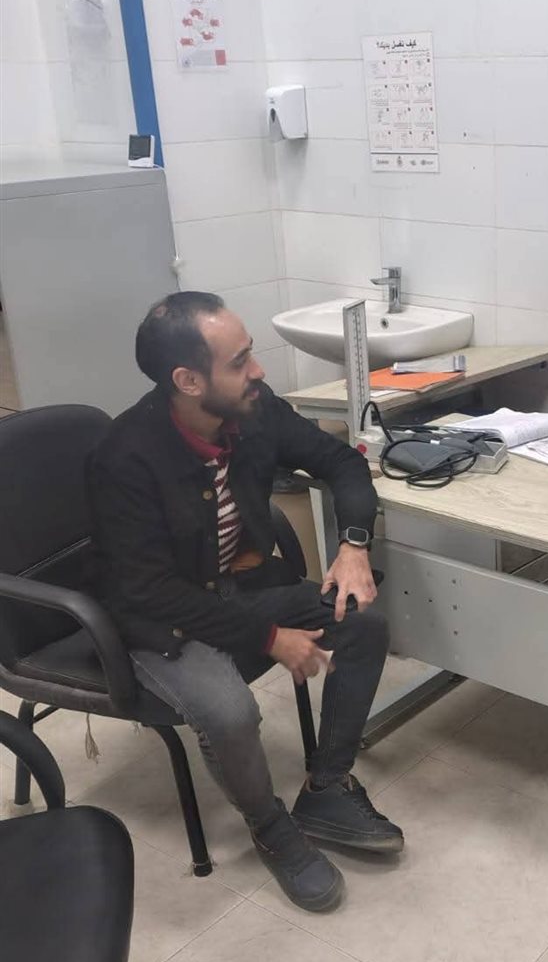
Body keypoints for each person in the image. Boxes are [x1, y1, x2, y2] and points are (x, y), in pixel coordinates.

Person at [89, 291, 401, 914]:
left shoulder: (254, 411)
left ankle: (327, 787)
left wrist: (353, 544)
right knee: (231, 713)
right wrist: (270, 639)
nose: (257, 370)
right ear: (187, 380)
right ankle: (271, 826)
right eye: (239, 361)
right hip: (162, 621)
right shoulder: (124, 458)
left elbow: (342, 462)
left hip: (240, 590)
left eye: (250, 353)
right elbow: (151, 591)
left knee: (363, 624)